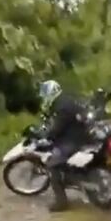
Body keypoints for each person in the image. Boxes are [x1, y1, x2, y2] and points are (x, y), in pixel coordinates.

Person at [36, 80, 89, 213]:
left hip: (73, 140)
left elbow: (57, 128)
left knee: (52, 164)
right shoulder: (66, 100)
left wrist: (47, 135)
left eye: (45, 94)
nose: (44, 97)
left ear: (51, 93)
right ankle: (69, 175)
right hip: (81, 134)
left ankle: (61, 202)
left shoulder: (61, 107)